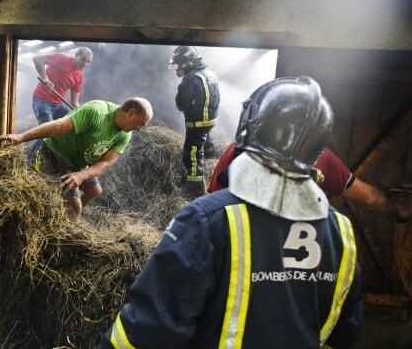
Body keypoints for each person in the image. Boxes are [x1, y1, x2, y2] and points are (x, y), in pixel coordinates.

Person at [98, 76, 362, 349]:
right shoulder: (341, 232)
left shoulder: (207, 219)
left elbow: (149, 331)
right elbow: (344, 330)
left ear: (251, 126)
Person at [0, 98, 152, 219]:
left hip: (77, 164)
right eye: (141, 124)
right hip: (54, 153)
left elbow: (105, 162)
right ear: (131, 113)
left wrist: (81, 175)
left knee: (94, 191)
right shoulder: (96, 112)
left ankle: (62, 216)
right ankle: (61, 230)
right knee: (75, 207)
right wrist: (21, 137)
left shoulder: (125, 134)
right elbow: (58, 126)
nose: (139, 129)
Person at [207, 131, 411, 222]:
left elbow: (211, 203)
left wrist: (397, 208)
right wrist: (396, 208)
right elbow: (368, 197)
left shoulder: (238, 150)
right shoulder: (322, 156)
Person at [169, 45, 220, 198]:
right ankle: (209, 152)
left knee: (191, 153)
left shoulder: (190, 78)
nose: (177, 68)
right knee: (204, 139)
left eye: (178, 64)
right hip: (210, 118)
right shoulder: (209, 73)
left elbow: (181, 103)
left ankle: (195, 186)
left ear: (187, 62)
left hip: (197, 122)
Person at [32, 47, 93, 124]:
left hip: (58, 105)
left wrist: (84, 115)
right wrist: (46, 79)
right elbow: (37, 59)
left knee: (72, 122)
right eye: (83, 59)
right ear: (76, 55)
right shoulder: (62, 59)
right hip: (42, 100)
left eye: (88, 62)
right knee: (47, 130)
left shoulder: (79, 76)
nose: (85, 64)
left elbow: (74, 102)